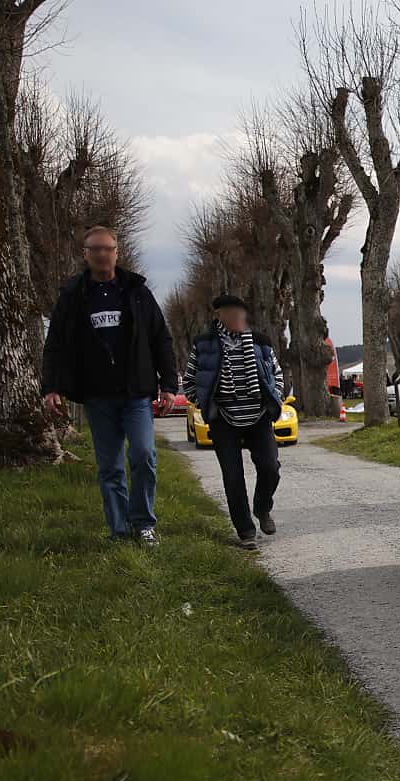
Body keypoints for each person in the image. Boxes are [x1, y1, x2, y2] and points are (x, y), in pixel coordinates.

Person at [39, 225, 176, 545]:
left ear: (116, 252)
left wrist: (168, 384)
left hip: (135, 394)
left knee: (143, 455)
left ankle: (143, 523)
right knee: (110, 466)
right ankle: (119, 529)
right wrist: (51, 387)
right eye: (95, 249)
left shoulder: (136, 292)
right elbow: (55, 343)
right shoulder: (73, 295)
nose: (102, 254)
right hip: (97, 395)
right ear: (85, 254)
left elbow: (161, 338)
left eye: (107, 248)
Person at [189, 294, 283, 551]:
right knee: (233, 476)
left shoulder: (261, 343)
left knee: (270, 467)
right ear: (218, 314)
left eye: (240, 313)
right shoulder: (203, 345)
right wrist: (207, 403)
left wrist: (274, 399)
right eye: (231, 312)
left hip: (258, 416)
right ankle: (246, 531)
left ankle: (263, 508)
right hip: (224, 420)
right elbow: (190, 382)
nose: (237, 317)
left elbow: (276, 375)